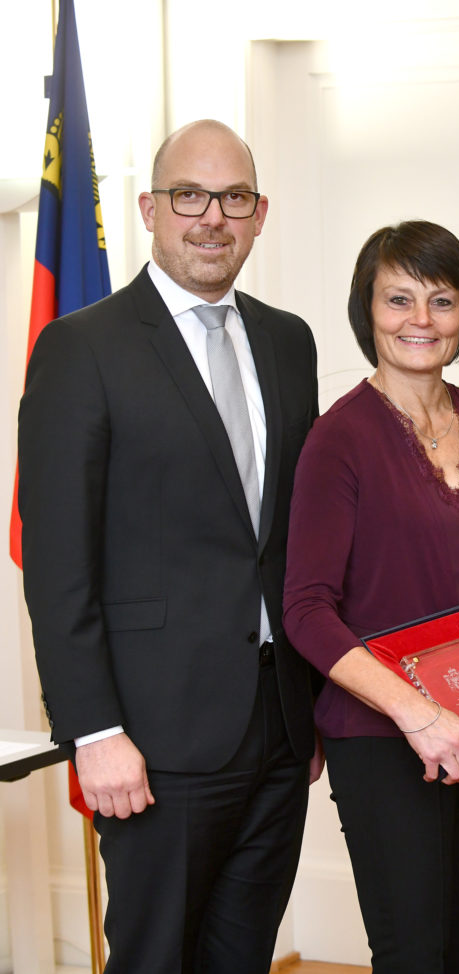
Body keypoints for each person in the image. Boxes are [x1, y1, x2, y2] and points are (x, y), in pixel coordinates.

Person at [19, 119, 321, 972]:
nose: (212, 217)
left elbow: (288, 537)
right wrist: (93, 730)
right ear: (151, 209)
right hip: (151, 737)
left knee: (242, 957)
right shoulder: (82, 348)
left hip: (279, 728)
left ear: (260, 214)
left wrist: (312, 707)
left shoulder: (288, 341)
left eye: (233, 198)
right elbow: (59, 565)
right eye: (190, 196)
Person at [282, 220, 459, 973]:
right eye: (399, 299)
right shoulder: (337, 439)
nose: (421, 319)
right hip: (383, 736)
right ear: (367, 310)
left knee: (457, 949)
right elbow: (306, 610)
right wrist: (417, 714)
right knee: (412, 954)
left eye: (441, 300)